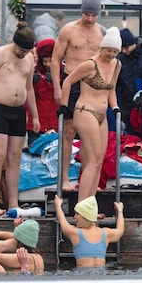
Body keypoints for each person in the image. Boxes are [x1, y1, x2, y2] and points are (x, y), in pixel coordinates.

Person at [0, 22, 39, 216]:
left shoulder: (29, 58)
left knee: (15, 157)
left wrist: (35, 116)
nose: (23, 54)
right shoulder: (0, 54)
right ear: (15, 43)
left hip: (18, 111)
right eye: (21, 50)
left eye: (27, 51)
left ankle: (13, 202)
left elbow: (29, 88)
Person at [57, 27, 121, 201]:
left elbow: (112, 89)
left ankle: (90, 205)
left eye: (115, 51)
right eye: (109, 50)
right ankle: (81, 208)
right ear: (102, 48)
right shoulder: (90, 64)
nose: (111, 55)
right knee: (92, 161)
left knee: (99, 162)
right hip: (85, 111)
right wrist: (63, 106)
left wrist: (115, 107)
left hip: (102, 113)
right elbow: (68, 81)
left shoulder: (116, 64)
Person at [51, 0, 106, 192]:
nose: (90, 19)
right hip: (71, 82)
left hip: (92, 85)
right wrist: (58, 87)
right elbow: (56, 59)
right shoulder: (69, 30)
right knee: (68, 132)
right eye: (87, 14)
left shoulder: (102, 32)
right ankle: (65, 178)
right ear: (81, 12)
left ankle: (87, 179)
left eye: (94, 15)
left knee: (89, 134)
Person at [54, 195, 125, 269]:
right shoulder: (105, 233)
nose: (75, 217)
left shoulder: (75, 233)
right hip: (101, 275)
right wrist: (120, 211)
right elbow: (120, 230)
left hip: (83, 276)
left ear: (85, 216)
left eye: (77, 214)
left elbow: (62, 221)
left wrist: (58, 206)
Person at [30, 39, 60, 139]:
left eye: (50, 61)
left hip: (56, 121)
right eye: (45, 61)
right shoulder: (35, 73)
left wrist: (57, 82)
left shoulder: (64, 73)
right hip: (38, 121)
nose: (47, 64)